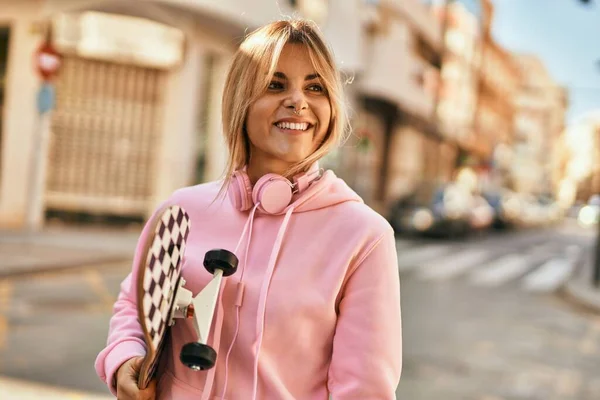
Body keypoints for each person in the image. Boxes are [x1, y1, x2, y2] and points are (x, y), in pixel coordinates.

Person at [95, 18, 402, 400]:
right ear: (241, 98)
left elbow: (364, 391)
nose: (298, 101)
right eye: (275, 84)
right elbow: (134, 307)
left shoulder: (364, 236)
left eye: (315, 87)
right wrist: (125, 359)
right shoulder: (182, 210)